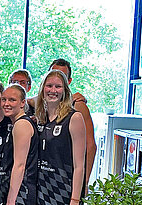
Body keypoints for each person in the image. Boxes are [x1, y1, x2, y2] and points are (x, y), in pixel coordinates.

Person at [36, 70, 86, 205]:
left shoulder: (74, 118)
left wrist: (75, 199)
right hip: (40, 191)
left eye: (58, 86)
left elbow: (79, 166)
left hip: (63, 191)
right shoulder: (40, 118)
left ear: (65, 91)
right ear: (42, 89)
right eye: (49, 86)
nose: (53, 90)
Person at [49, 58, 96, 193]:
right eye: (53, 74)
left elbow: (90, 145)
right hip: (45, 180)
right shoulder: (42, 105)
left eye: (62, 77)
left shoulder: (78, 106)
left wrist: (84, 183)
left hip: (68, 179)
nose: (56, 79)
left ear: (68, 81)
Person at [1, 84, 39, 205]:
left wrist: (11, 200)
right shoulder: (18, 123)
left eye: (12, 100)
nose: (6, 104)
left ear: (22, 103)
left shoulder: (21, 125)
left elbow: (20, 165)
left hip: (22, 192)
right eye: (4, 99)